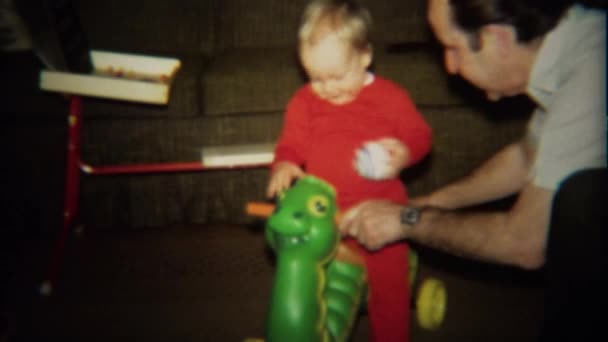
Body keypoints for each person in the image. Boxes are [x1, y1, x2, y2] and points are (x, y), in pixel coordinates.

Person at [339, 0, 607, 340]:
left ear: (498, 39)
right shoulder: (576, 50)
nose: (450, 67)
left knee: (580, 201)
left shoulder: (593, 71)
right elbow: (527, 159)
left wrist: (406, 221)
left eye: (453, 48)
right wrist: (425, 204)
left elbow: (523, 242)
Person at [266, 0, 432, 340]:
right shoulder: (304, 102)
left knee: (390, 285)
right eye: (315, 78)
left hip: (381, 210)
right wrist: (283, 162)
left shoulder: (391, 98)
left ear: (364, 57)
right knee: (304, 274)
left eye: (337, 76)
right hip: (325, 213)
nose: (328, 88)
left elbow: (420, 136)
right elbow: (290, 144)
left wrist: (405, 154)